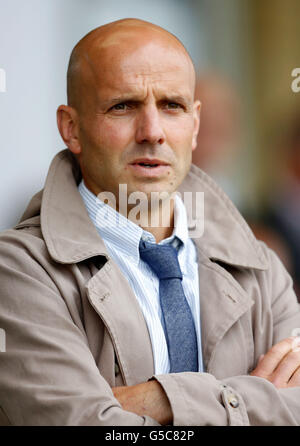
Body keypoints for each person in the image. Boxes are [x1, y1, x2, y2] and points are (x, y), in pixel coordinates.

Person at [0, 18, 300, 426]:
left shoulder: (260, 269)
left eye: (172, 106)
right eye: (123, 106)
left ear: (194, 125)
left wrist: (159, 400)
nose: (152, 131)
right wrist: (250, 402)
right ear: (71, 128)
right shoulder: (19, 271)